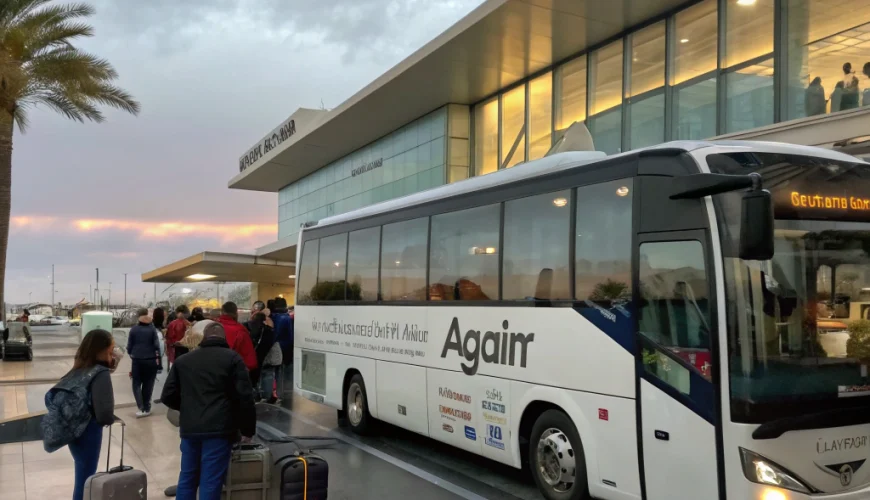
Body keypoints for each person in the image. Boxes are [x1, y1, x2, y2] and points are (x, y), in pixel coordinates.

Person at [160, 322, 256, 500]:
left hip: (190, 429)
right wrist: (248, 429)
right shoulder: (233, 359)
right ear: (224, 338)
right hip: (219, 430)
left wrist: (188, 407)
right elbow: (245, 398)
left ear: (203, 338)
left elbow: (167, 395)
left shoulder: (183, 361)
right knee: (210, 481)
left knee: (187, 477)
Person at [63, 329, 117, 500]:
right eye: (110, 348)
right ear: (102, 349)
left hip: (74, 428)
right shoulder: (100, 373)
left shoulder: (79, 367)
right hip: (89, 431)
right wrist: (110, 418)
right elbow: (104, 414)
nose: (113, 351)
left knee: (81, 471)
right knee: (86, 478)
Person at [126, 308, 161, 418]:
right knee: (148, 384)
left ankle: (140, 407)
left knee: (136, 384)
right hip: (150, 360)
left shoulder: (134, 329)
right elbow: (157, 347)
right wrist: (159, 364)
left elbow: (129, 346)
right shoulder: (152, 330)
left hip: (137, 359)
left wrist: (133, 354)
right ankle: (147, 408)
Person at [217, 302, 257, 372]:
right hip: (234, 371)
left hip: (215, 370)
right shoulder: (240, 330)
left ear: (222, 312)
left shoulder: (213, 327)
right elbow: (250, 359)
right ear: (236, 312)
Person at [246, 311, 276, 401]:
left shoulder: (246, 327)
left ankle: (254, 397)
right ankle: (266, 396)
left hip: (250, 359)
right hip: (264, 357)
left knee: (252, 380)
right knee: (267, 375)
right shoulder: (268, 330)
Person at [271, 297, 294, 400]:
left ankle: (275, 392)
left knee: (275, 372)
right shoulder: (286, 318)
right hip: (285, 348)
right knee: (286, 372)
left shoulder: (272, 317)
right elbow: (290, 336)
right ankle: (284, 394)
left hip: (274, 347)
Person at [165, 305, 191, 370]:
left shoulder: (172, 324)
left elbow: (168, 337)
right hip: (186, 347)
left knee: (176, 366)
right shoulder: (188, 323)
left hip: (175, 347)